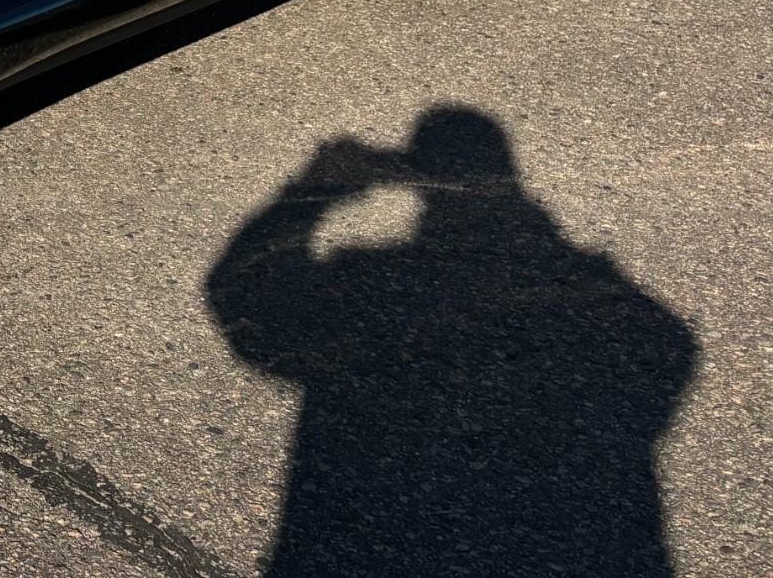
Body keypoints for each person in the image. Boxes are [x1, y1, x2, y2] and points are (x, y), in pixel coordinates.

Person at [207, 106, 695, 576]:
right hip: (588, 548)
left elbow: (250, 304)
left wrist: (314, 190)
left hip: (375, 538)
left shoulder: (370, 280)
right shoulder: (626, 311)